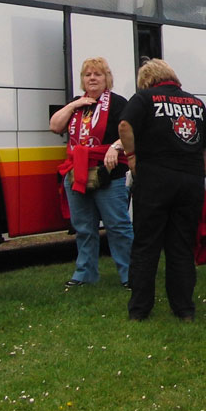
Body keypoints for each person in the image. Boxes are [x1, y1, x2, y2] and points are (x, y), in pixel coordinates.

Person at [119, 59, 206, 322]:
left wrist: (131, 157)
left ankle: (139, 310)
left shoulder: (144, 98)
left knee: (146, 245)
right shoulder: (195, 102)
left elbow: (124, 126)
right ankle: (184, 308)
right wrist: (202, 171)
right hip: (189, 181)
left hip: (154, 180)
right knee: (181, 247)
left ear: (147, 80)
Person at [51, 57, 133, 289]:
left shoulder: (118, 103)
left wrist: (115, 147)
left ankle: (130, 274)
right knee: (84, 227)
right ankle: (85, 273)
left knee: (117, 225)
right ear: (82, 79)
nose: (93, 78)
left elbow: (130, 131)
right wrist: (71, 106)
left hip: (109, 173)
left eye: (98, 74)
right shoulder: (77, 104)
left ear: (107, 78)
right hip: (77, 171)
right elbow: (55, 126)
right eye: (88, 75)